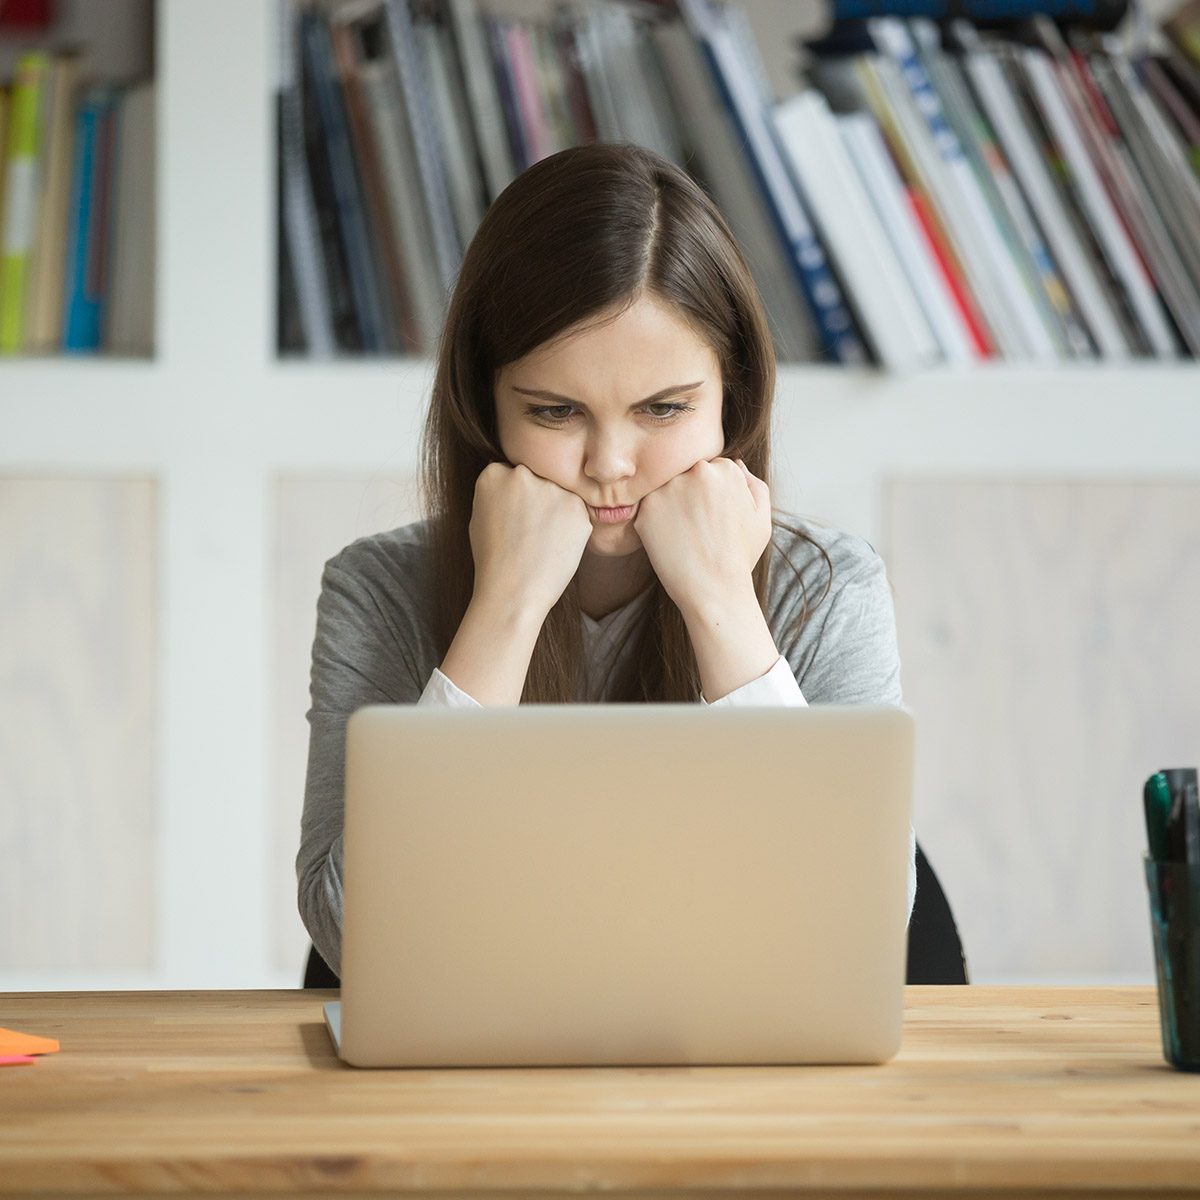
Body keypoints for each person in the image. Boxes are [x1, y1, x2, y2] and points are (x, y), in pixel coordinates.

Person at [296, 142, 916, 978]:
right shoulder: (378, 589)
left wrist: (724, 607)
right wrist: (504, 610)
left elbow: (853, 927)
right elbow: (353, 936)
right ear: (486, 404)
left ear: (731, 400)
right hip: (472, 1056)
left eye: (664, 409)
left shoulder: (830, 588)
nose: (611, 464)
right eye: (556, 412)